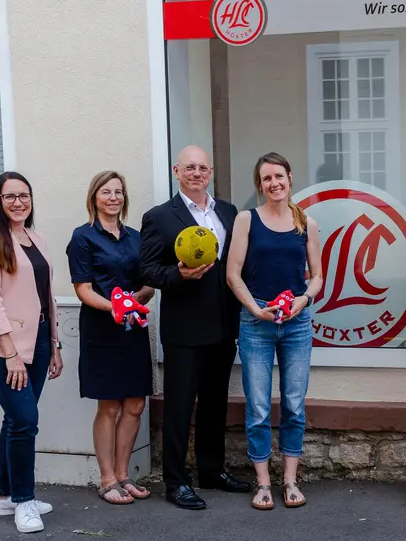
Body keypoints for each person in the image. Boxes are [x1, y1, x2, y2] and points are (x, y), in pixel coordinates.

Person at [138, 146, 252, 510]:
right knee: (179, 407)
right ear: (176, 171)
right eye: (190, 167)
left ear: (211, 171)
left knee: (215, 405)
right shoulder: (159, 217)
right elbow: (147, 270)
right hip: (184, 329)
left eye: (203, 167)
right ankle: (175, 481)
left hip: (223, 325)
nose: (197, 173)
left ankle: (211, 470)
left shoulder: (229, 212)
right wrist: (179, 274)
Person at [225, 153, 324, 511]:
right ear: (260, 185)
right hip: (257, 322)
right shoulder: (246, 220)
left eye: (278, 176)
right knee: (259, 407)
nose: (274, 183)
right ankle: (263, 483)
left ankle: (291, 481)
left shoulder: (306, 224)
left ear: (290, 177)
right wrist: (253, 308)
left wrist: (304, 299)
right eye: (266, 178)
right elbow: (233, 273)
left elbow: (317, 276)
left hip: (296, 323)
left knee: (295, 405)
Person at [0, 171, 63, 534]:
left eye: (24, 195)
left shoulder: (35, 238)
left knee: (15, 419)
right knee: (25, 419)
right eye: (10, 196)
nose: (18, 202)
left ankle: (4, 496)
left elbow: (46, 297)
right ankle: (24, 500)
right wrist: (10, 354)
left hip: (39, 341)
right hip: (0, 346)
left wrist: (54, 346)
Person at [67, 170, 154, 506]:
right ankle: (106, 480)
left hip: (133, 330)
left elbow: (148, 282)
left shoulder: (135, 237)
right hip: (102, 331)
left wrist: (135, 300)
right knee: (109, 405)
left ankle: (123, 475)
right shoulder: (83, 237)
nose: (113, 197)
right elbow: (83, 289)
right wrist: (115, 306)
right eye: (106, 192)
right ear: (94, 197)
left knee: (135, 404)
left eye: (119, 192)